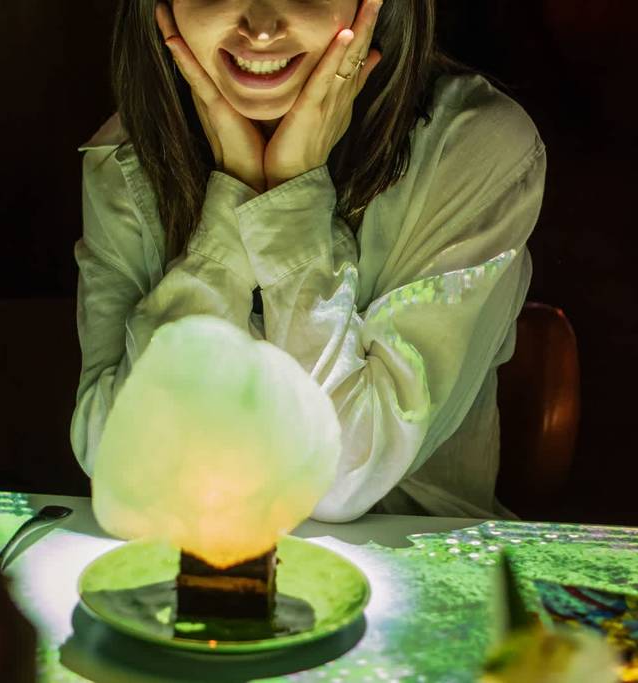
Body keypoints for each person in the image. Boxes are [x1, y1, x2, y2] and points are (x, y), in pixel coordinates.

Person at [71, 0, 547, 522]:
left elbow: (341, 480)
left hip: (421, 572)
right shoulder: (127, 156)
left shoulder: (474, 147)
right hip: (187, 571)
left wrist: (290, 191)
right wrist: (234, 196)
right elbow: (118, 456)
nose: (260, 27)